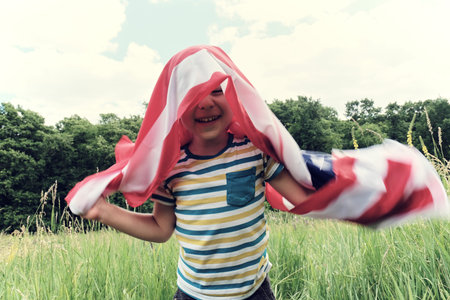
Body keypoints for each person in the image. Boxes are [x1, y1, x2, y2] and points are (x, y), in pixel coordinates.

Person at [82, 82, 312, 299]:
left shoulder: (255, 151)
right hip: (193, 293)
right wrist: (104, 212)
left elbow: (304, 199)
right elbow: (161, 229)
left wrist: (343, 196)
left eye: (217, 90)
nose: (205, 103)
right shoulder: (171, 168)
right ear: (175, 106)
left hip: (254, 291)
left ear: (234, 95)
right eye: (191, 94)